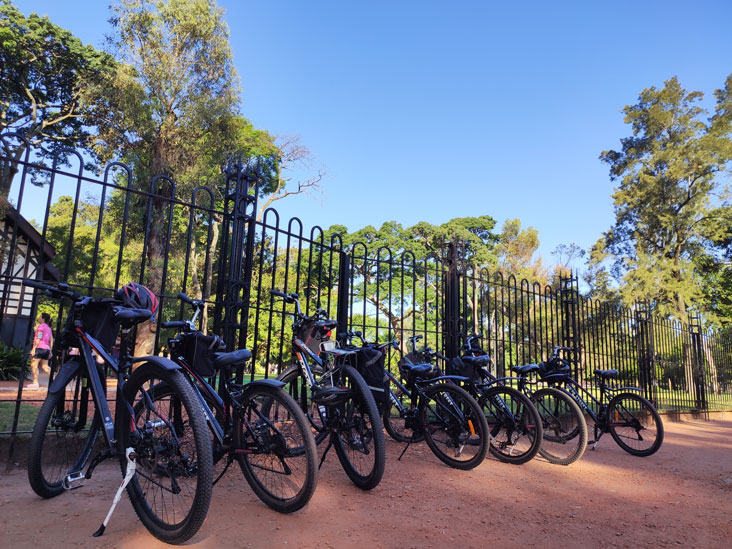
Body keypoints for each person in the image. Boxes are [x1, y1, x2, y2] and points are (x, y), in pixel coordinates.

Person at [28, 313, 54, 389]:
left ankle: (35, 382)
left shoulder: (40, 327)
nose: (38, 317)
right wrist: (50, 350)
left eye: (40, 316)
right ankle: (56, 380)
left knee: (34, 365)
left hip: (39, 348)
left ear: (43, 319)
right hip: (47, 349)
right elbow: (51, 339)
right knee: (45, 366)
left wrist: (34, 348)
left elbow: (39, 337)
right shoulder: (49, 328)